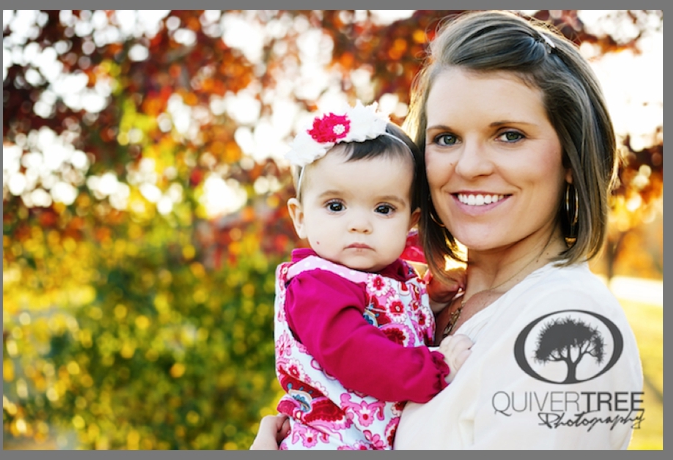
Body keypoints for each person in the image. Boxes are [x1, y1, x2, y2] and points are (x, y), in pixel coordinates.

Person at [252, 10, 643, 450]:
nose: (470, 166)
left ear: (570, 158)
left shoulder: (568, 325)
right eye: (446, 138)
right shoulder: (430, 303)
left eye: (509, 135)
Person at [272, 101, 473, 450]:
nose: (360, 224)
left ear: (410, 222)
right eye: (336, 206)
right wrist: (435, 367)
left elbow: (388, 322)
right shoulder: (315, 285)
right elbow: (356, 354)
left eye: (383, 209)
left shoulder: (389, 276)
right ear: (300, 216)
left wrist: (430, 302)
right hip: (331, 442)